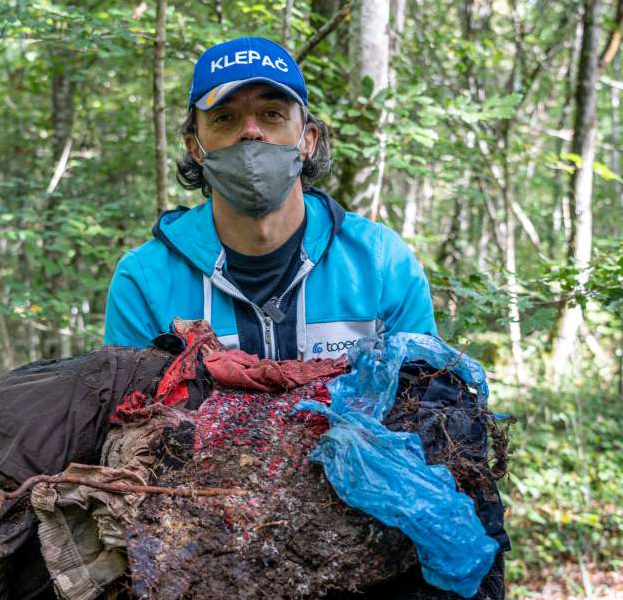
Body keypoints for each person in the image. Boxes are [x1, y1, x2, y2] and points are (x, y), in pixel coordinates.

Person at [104, 36, 438, 359]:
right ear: (195, 148)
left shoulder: (379, 262)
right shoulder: (145, 281)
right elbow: (129, 410)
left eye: (272, 114)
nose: (251, 131)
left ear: (307, 139)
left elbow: (428, 395)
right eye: (224, 117)